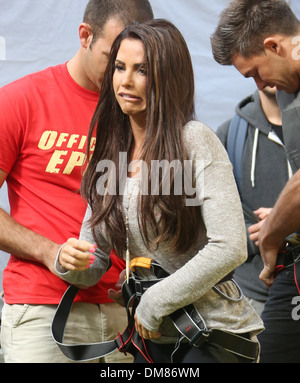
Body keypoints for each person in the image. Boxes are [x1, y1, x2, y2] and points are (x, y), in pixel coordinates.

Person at [54, 19, 264, 363]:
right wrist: (70, 260)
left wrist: (153, 302)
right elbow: (95, 261)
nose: (126, 80)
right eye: (120, 67)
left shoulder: (194, 140)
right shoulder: (111, 155)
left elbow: (230, 246)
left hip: (209, 335)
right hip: (151, 339)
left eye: (142, 70)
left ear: (167, 76)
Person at [0, 0, 154, 363]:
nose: (122, 77)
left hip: (126, 313)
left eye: (136, 64)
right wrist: (48, 251)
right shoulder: (20, 100)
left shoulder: (139, 114)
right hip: (43, 308)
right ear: (85, 36)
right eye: (111, 59)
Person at [211, 0, 300, 363]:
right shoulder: (291, 94)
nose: (261, 85)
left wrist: (273, 231)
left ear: (274, 46)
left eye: (255, 73)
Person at [216, 86, 291, 316]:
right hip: (251, 300)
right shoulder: (230, 134)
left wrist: (285, 226)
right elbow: (213, 224)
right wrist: (262, 234)